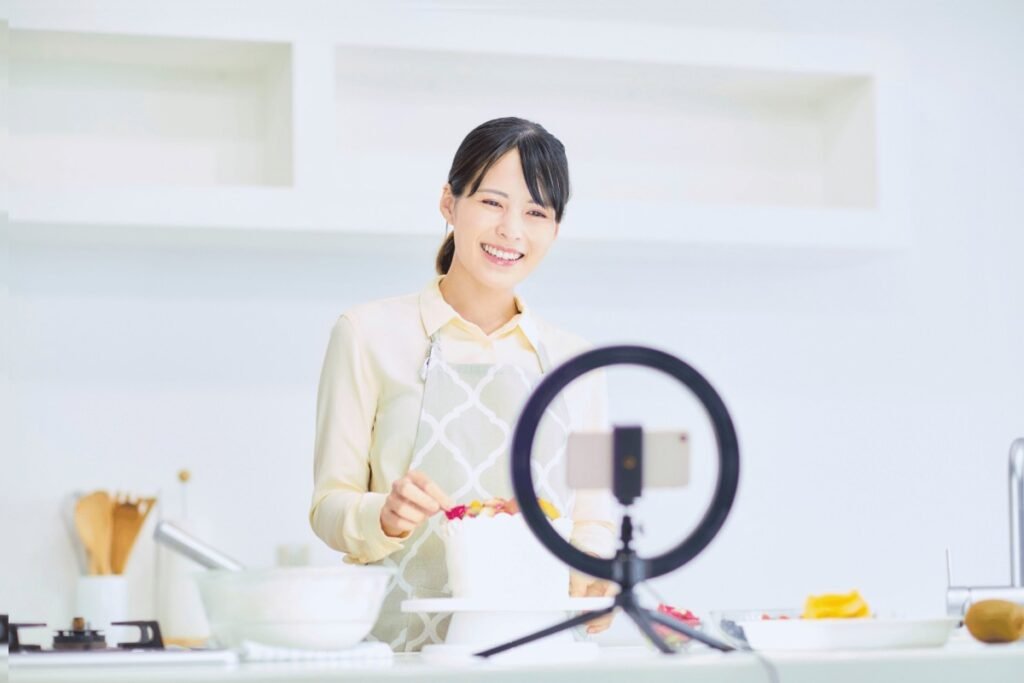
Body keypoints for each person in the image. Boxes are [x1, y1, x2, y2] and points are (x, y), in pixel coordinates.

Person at [310, 117, 617, 652]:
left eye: (535, 213)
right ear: (450, 203)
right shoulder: (366, 335)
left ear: (555, 230)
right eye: (492, 203)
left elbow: (593, 519)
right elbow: (329, 506)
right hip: (403, 655)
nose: (511, 230)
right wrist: (382, 514)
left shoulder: (579, 365)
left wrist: (594, 575)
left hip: (539, 656)